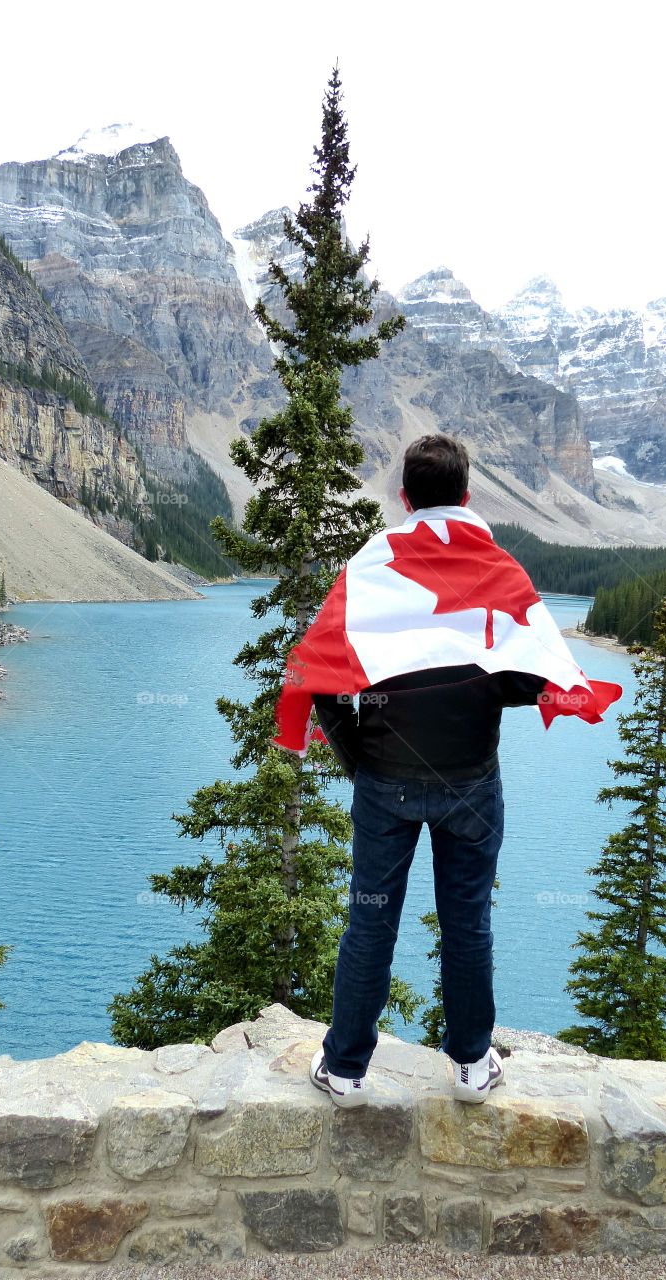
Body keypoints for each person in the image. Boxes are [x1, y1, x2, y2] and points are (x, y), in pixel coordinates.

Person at [268, 433, 622, 1109]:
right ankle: (469, 1066)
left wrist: (360, 764)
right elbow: (527, 670)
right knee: (468, 924)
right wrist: (479, 678)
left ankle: (343, 1069)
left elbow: (324, 675)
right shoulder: (496, 567)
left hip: (385, 786)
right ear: (466, 495)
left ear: (404, 497)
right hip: (472, 786)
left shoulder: (371, 567)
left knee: (369, 919)